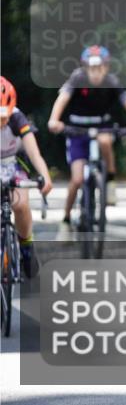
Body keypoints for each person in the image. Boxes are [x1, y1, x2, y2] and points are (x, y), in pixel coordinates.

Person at [48, 46, 126, 240]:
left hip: (102, 126)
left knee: (105, 141)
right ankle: (66, 221)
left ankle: (109, 182)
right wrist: (54, 120)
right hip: (77, 130)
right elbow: (63, 98)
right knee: (76, 180)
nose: (96, 72)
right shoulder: (77, 79)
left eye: (100, 68)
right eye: (91, 68)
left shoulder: (111, 81)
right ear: (85, 68)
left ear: (106, 67)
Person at [0, 76, 53, 277]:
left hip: (13, 162)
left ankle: (26, 247)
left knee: (20, 204)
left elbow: (34, 153)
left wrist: (45, 176)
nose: (2, 121)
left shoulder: (17, 119)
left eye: (4, 116)